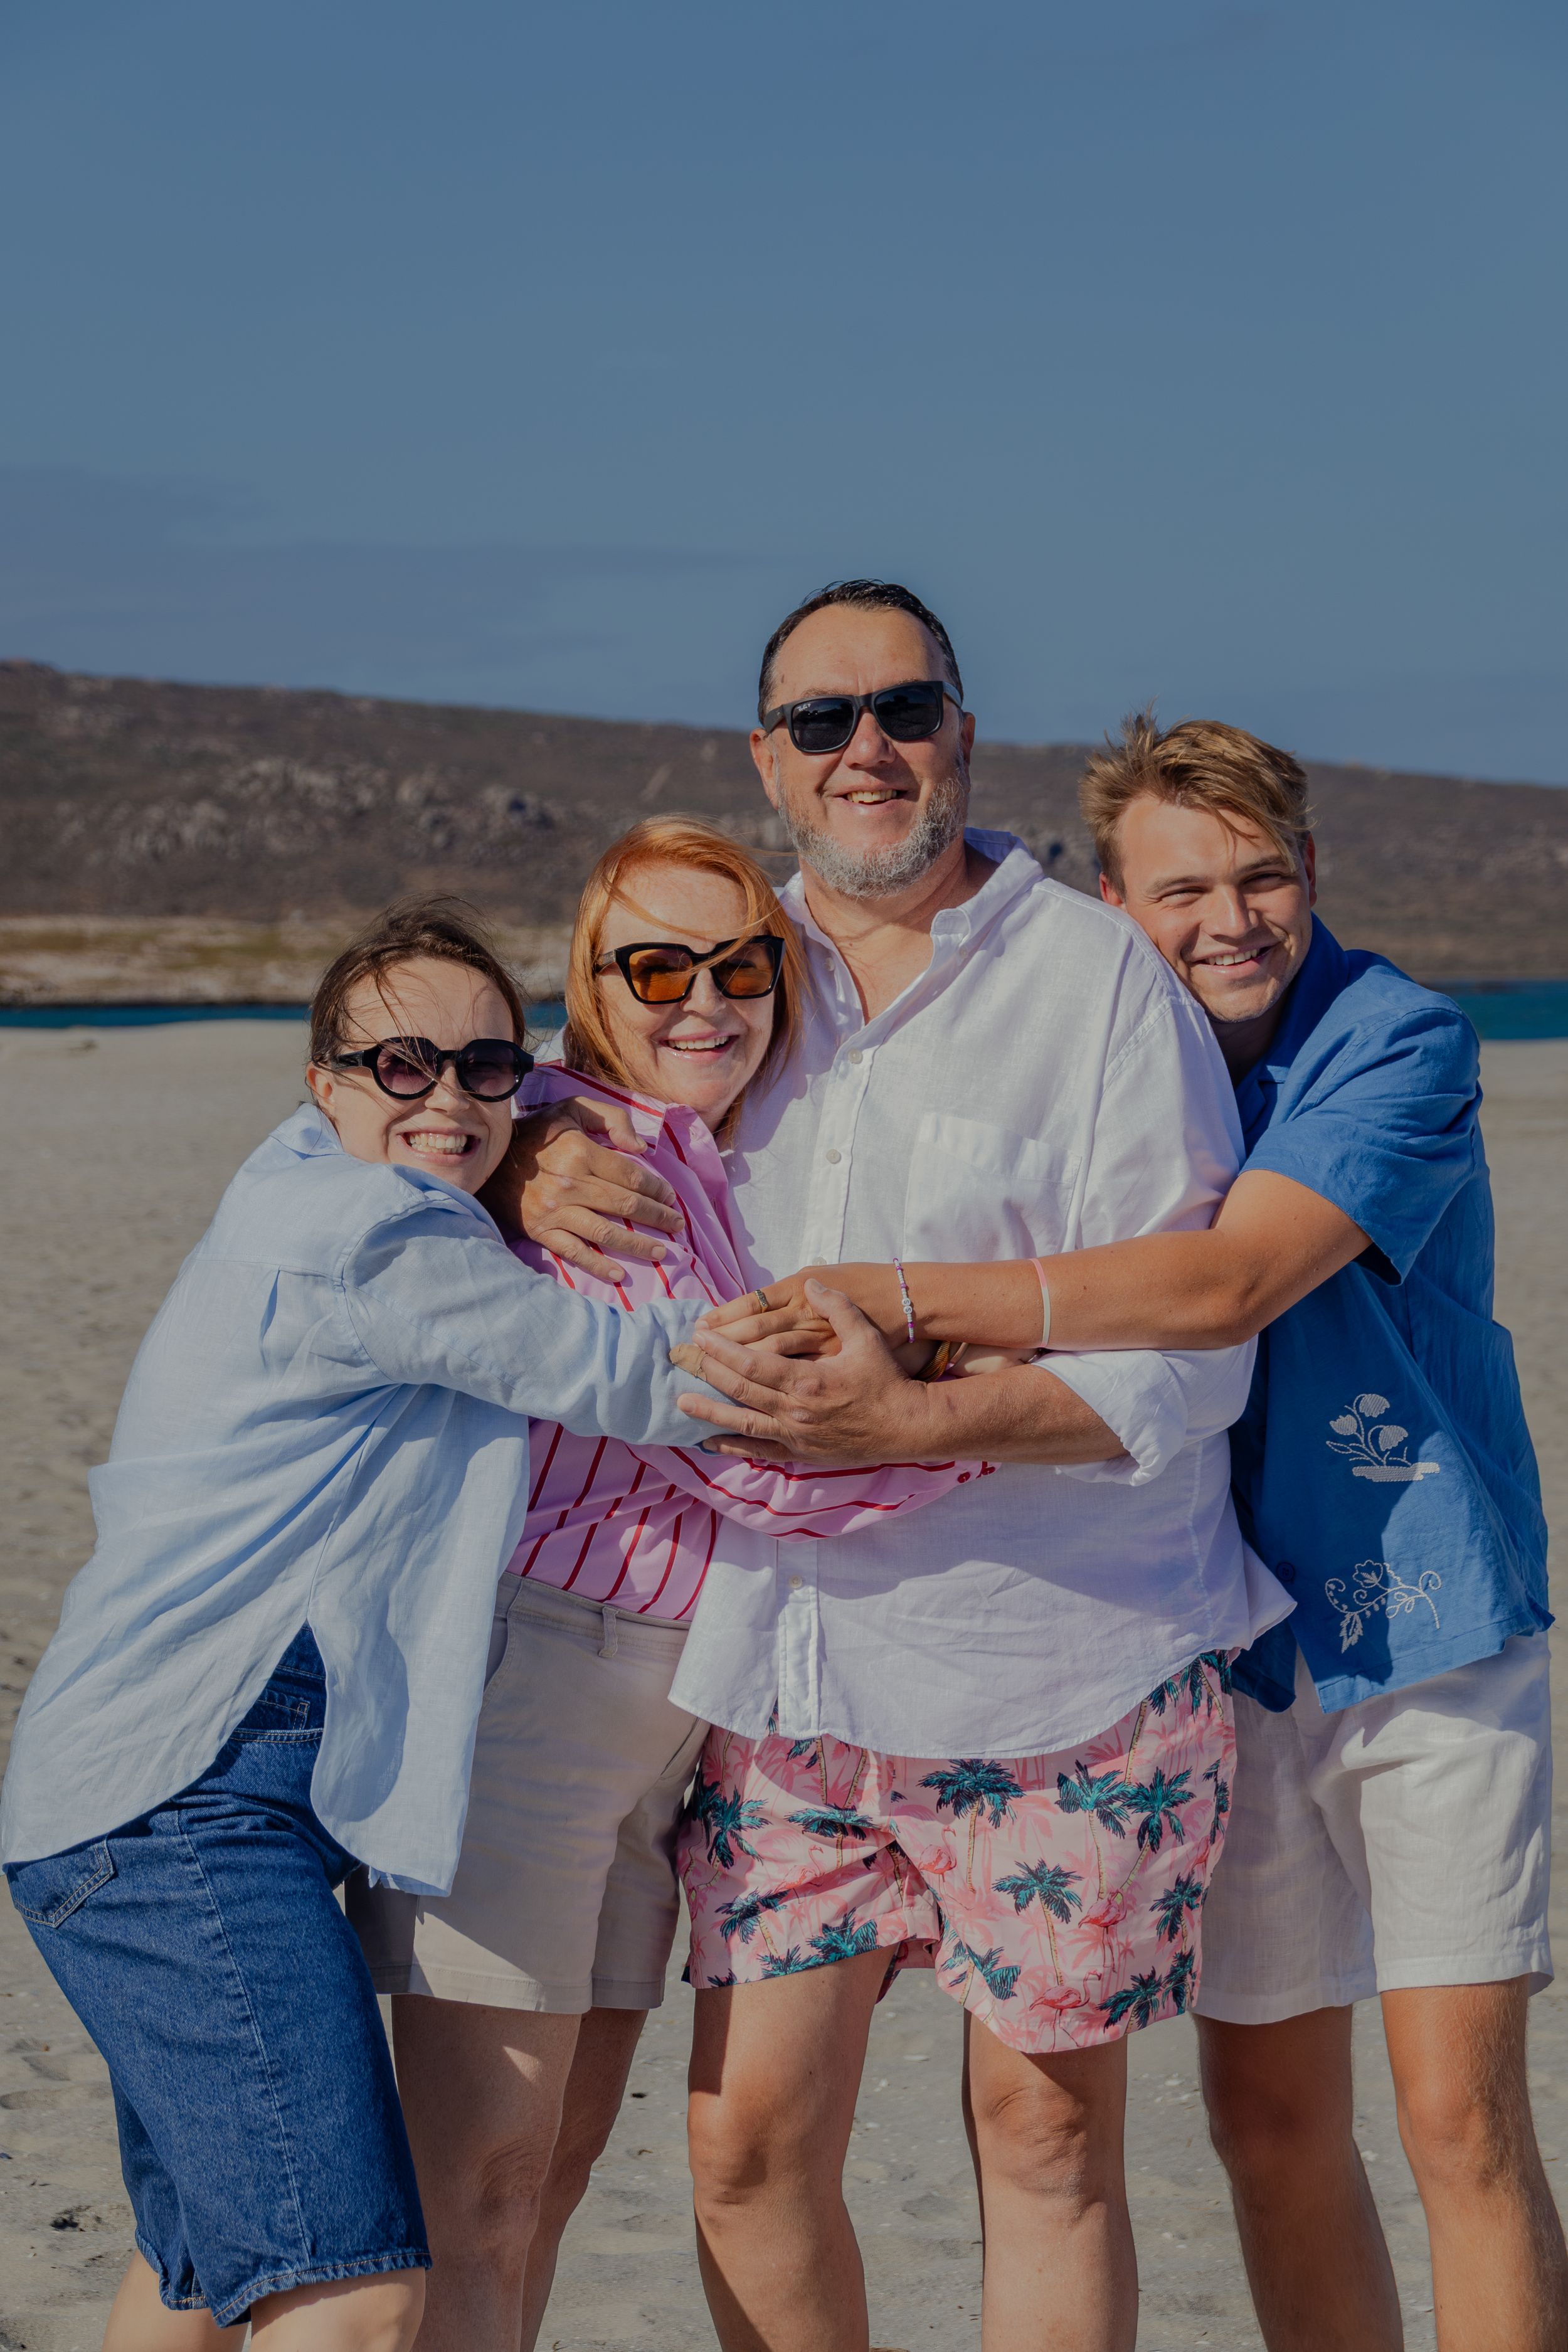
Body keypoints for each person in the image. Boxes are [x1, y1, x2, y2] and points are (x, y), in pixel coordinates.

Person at [701, 716, 1565, 2351]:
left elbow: (1221, 1284)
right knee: (1268, 2124)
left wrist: (891, 1295)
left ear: (1311, 871)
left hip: (1427, 1634)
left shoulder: (1391, 1039)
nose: (1225, 919)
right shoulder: (1105, 1049)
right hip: (1218, 1651)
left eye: (1258, 877)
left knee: (1457, 2122)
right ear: (1112, 899)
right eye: (1180, 889)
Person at [495, 583, 1290, 2352]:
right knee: (747, 2146)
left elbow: (1184, 1356)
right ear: (766, 761)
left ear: (962, 734)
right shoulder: (727, 966)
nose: (868, 747)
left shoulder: (1092, 981)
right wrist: (525, 1166)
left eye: (904, 708)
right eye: (821, 720)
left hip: (1067, 1654)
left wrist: (912, 1417)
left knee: (1040, 2135)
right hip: (786, 1673)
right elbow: (548, 1104)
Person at [0, 900, 727, 2352]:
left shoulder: (298, 1174)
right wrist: (905, 1320)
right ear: (322, 1078)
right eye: (400, 1066)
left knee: (201, 2272)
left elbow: (453, 1147)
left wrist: (521, 1150)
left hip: (141, 1801)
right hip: (183, 1811)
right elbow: (640, 1379)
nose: (445, 1097)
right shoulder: (367, 1236)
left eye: (482, 1065)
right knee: (358, 2295)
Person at [347, 824, 982, 2352]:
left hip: (669, 1716)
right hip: (539, 1691)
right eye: (655, 968)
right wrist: (989, 1423)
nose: (704, 999)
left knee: (549, 2177)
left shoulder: (696, 1156)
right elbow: (743, 1445)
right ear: (593, 987)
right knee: (479, 2188)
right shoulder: (590, 1152)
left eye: (738, 963)